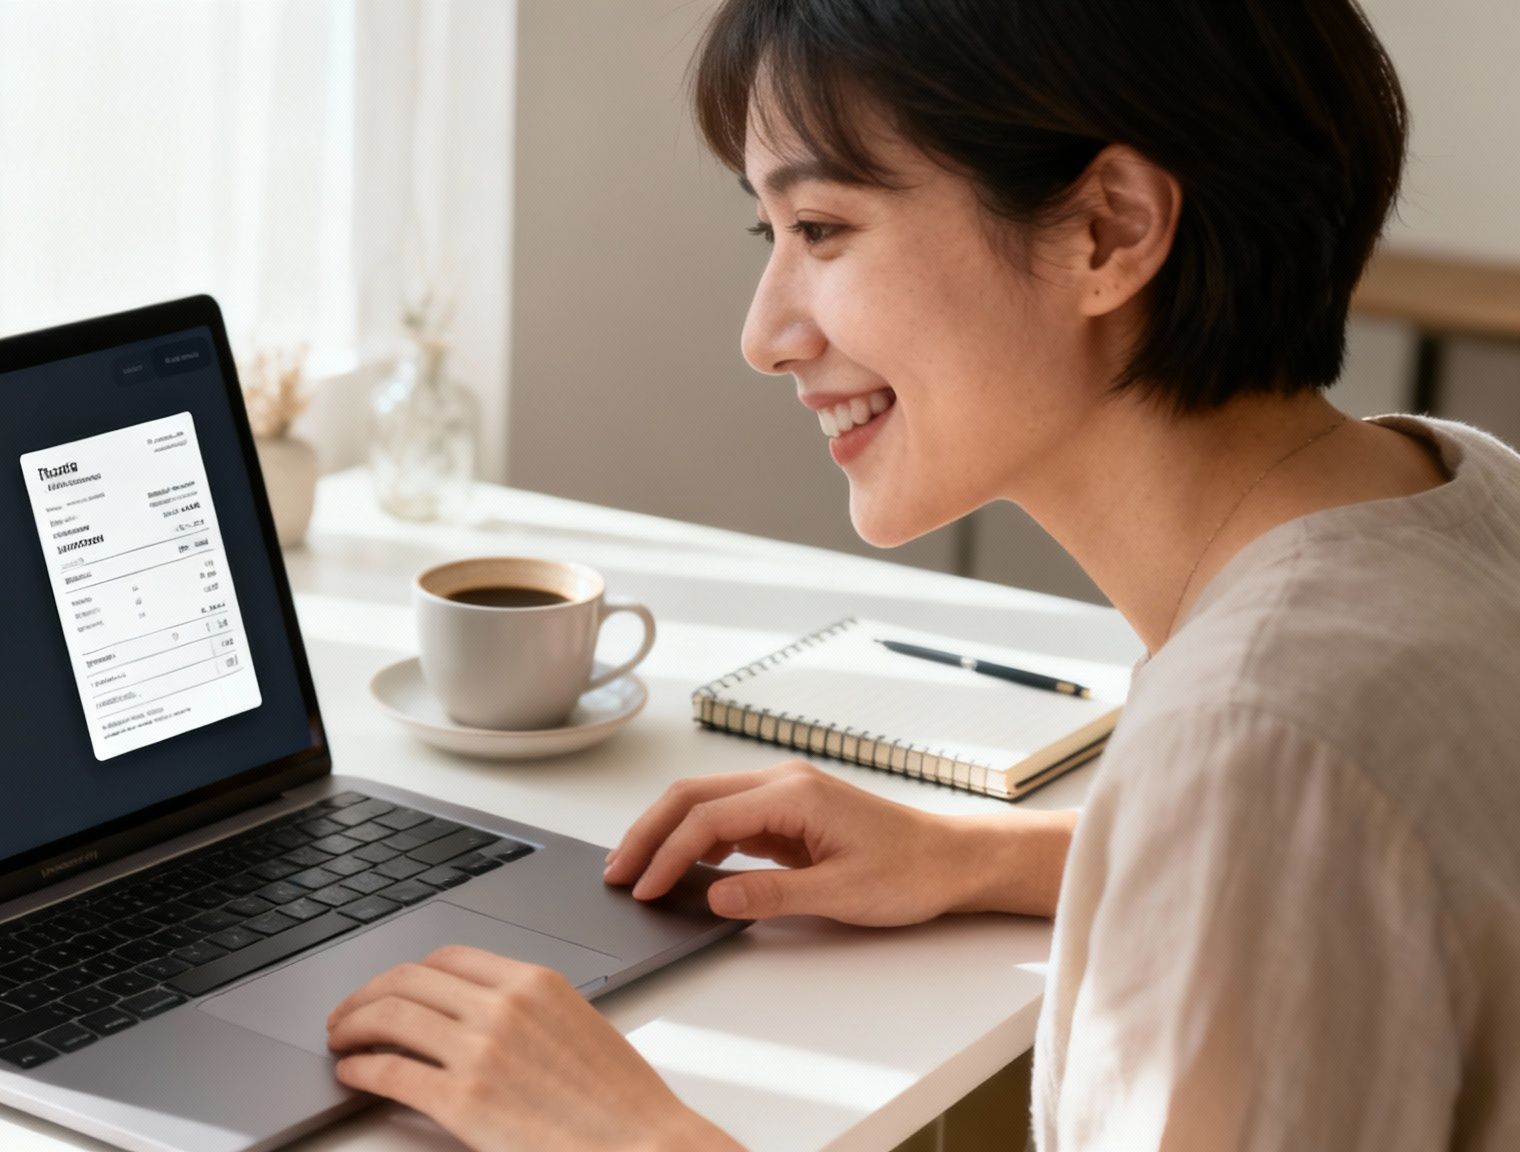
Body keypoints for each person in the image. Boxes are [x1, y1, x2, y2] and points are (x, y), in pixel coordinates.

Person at [323, 1, 1520, 1148]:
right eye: (770, 234)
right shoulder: (1460, 491)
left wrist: (626, 1138)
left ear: (1104, 231)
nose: (764, 332)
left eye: (823, 230)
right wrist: (980, 856)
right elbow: (1365, 879)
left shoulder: (1257, 745)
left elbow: (1279, 809)